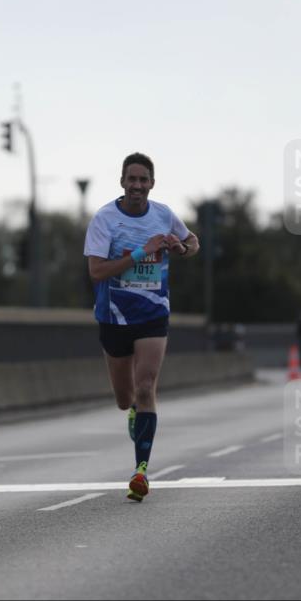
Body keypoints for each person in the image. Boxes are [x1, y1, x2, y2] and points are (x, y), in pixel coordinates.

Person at [84, 153, 199, 501]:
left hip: (153, 314)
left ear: (152, 183)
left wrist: (181, 248)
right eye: (131, 180)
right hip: (115, 317)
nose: (137, 186)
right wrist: (139, 253)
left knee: (146, 386)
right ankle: (134, 411)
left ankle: (141, 472)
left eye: (143, 180)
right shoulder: (105, 219)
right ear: (122, 182)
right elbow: (97, 272)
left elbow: (194, 242)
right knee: (125, 399)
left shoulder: (163, 214)